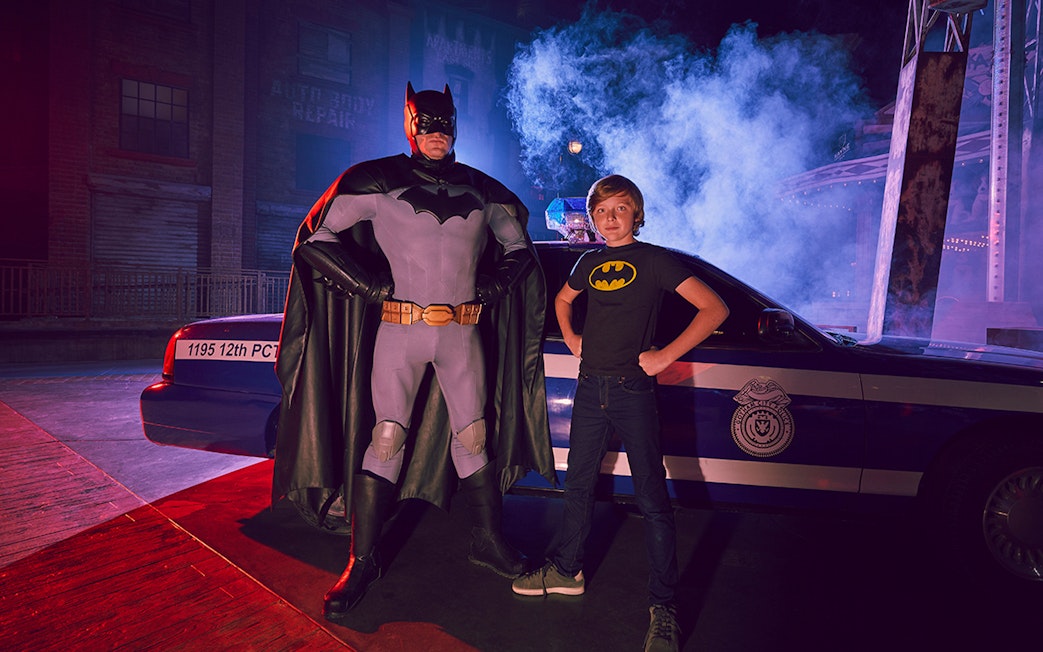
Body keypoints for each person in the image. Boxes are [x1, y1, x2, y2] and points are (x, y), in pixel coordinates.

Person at [273, 82, 555, 622]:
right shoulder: (379, 181)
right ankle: (361, 560)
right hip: (400, 329)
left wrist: (495, 286)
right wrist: (369, 285)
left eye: (444, 124)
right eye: (425, 123)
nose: (435, 133)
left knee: (474, 434)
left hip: (461, 332)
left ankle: (488, 542)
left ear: (455, 127)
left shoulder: (481, 190)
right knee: (386, 437)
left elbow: (521, 248)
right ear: (409, 123)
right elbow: (317, 239)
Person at [511, 174, 729, 652]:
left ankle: (664, 607)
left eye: (620, 209)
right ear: (592, 219)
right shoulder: (589, 261)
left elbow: (714, 309)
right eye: (601, 211)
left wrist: (664, 356)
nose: (610, 219)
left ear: (637, 213)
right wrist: (570, 336)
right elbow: (563, 300)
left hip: (634, 392)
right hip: (591, 389)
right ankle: (568, 571)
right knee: (579, 486)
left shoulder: (654, 260)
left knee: (652, 500)